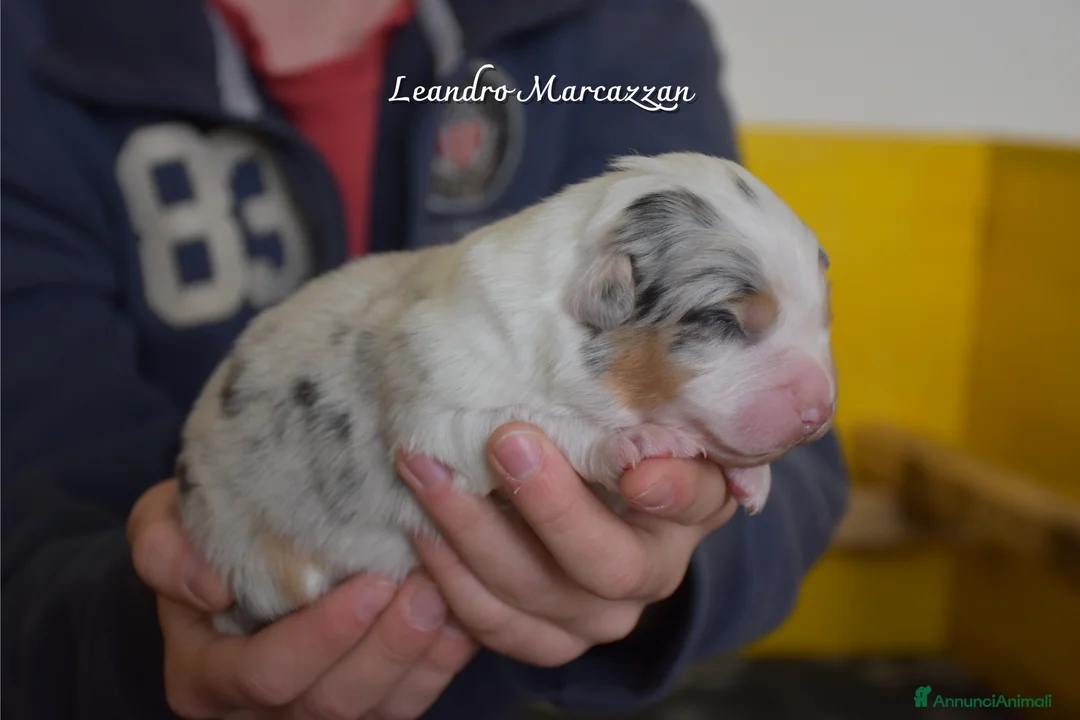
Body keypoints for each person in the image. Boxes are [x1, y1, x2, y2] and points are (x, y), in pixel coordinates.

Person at [0, 0, 850, 718]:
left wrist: (671, 570)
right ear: (606, 293)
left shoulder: (620, 29)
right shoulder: (31, 54)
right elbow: (29, 490)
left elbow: (808, 475)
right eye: (730, 325)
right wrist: (132, 644)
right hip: (256, 580)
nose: (819, 393)